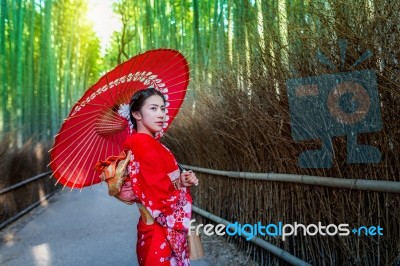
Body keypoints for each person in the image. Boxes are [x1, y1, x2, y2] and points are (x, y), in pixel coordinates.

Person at [118, 88, 198, 266]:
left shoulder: (153, 144)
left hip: (156, 227)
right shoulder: (141, 144)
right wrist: (182, 193)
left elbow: (164, 183)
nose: (161, 114)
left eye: (163, 108)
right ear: (137, 114)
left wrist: (181, 181)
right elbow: (159, 196)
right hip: (159, 229)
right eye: (153, 109)